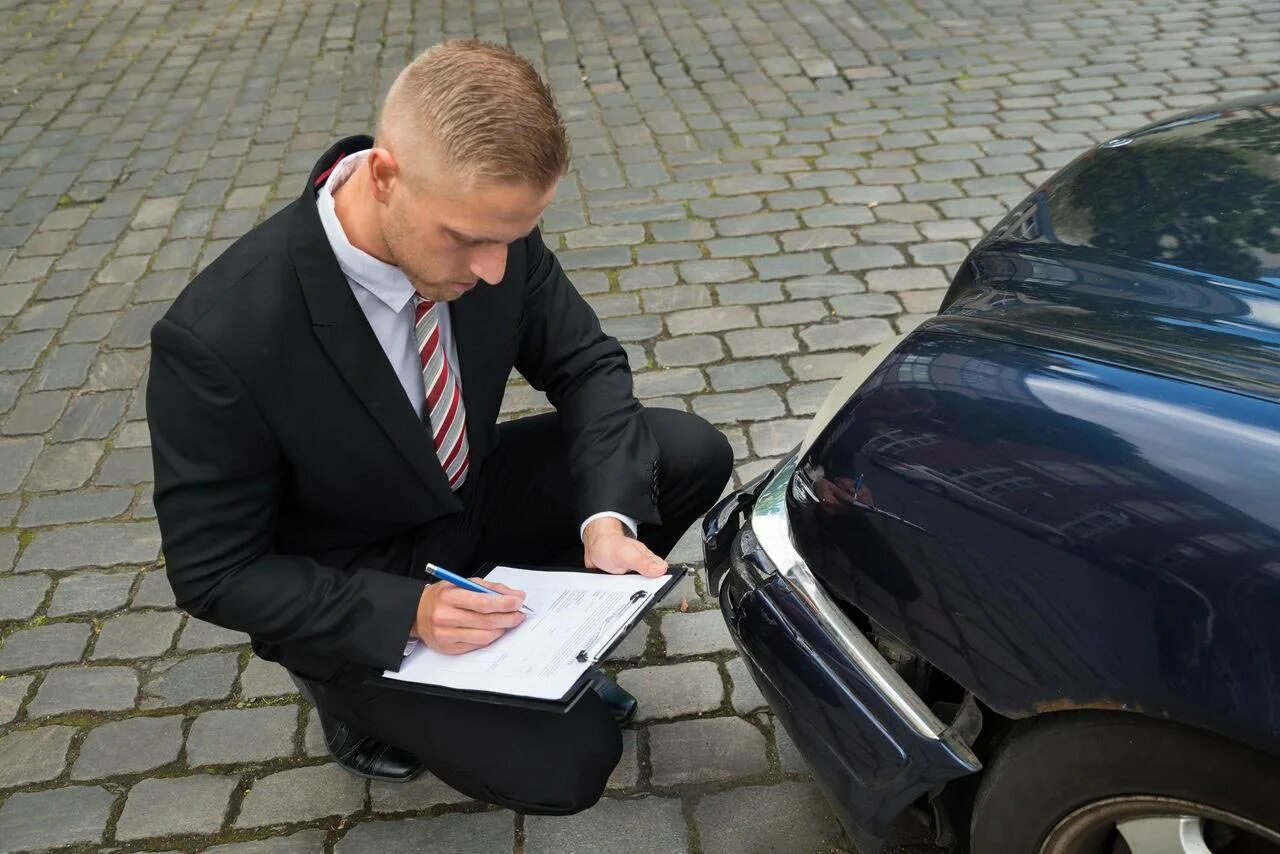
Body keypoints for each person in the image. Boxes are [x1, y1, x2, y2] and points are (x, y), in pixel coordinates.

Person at [147, 39, 733, 815]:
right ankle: (346, 693)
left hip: (466, 494)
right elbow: (214, 571)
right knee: (568, 764)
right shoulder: (220, 339)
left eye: (514, 237)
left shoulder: (488, 228)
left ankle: (535, 642)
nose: (494, 268)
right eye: (468, 238)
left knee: (687, 452)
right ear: (383, 176)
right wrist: (406, 615)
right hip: (358, 571)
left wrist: (604, 522)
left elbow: (587, 365)